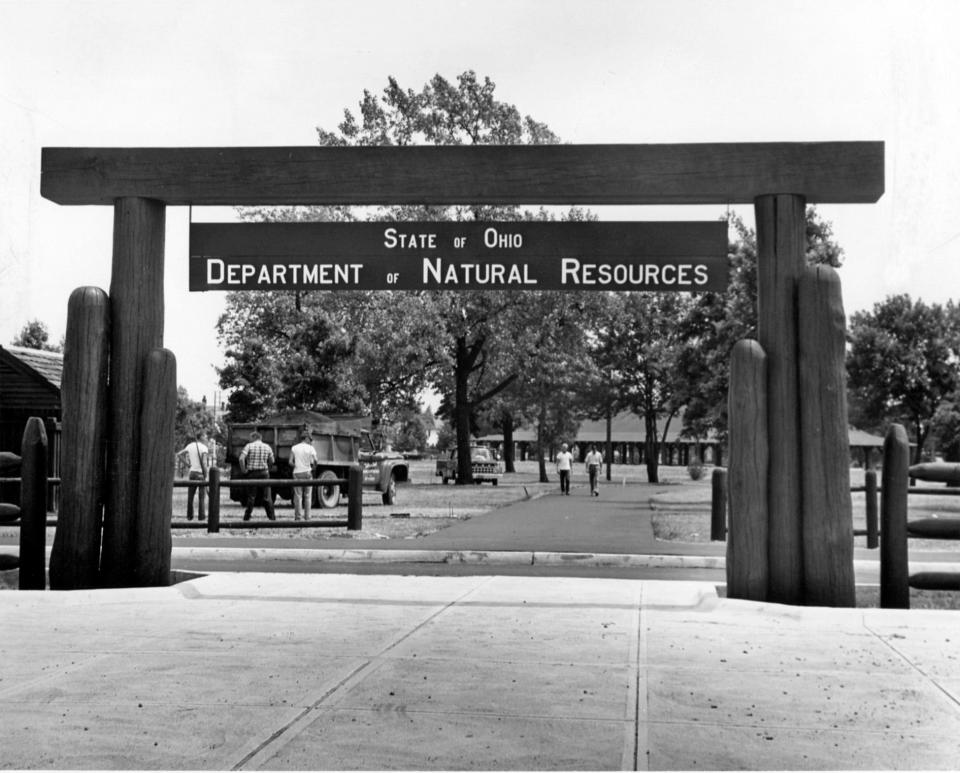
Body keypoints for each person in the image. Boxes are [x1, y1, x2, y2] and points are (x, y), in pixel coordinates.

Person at [238, 430, 276, 521]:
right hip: (264, 473)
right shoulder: (267, 447)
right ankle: (272, 517)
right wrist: (268, 468)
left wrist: (244, 470)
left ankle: (247, 517)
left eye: (250, 438)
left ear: (254, 437)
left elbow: (241, 459)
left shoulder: (249, 446)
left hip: (252, 473)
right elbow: (272, 461)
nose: (249, 440)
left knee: (251, 496)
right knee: (267, 497)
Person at [177, 432, 209, 521]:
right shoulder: (204, 448)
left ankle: (189, 516)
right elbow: (204, 463)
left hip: (192, 473)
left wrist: (188, 465)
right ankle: (201, 516)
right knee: (201, 497)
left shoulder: (190, 445)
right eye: (205, 436)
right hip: (201, 474)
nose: (206, 438)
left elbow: (179, 454)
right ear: (201, 437)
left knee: (190, 496)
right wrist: (205, 475)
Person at [290, 432, 318, 521]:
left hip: (297, 473)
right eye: (310, 439)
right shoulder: (311, 448)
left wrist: (296, 466)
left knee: (298, 496)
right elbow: (316, 460)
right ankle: (307, 517)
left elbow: (290, 462)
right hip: (307, 473)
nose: (310, 441)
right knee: (307, 496)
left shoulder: (294, 448)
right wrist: (313, 468)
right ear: (306, 438)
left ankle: (298, 517)